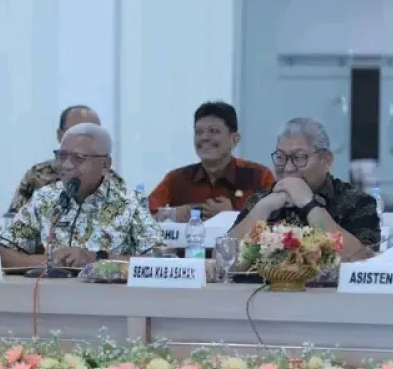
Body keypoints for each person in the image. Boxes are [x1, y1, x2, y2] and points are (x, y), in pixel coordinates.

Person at [0, 123, 162, 268]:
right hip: (50, 291)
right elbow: (3, 252)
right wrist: (48, 262)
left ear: (105, 164)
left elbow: (158, 260)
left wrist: (96, 259)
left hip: (106, 293)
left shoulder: (130, 202)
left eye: (79, 158)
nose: (67, 165)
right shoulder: (45, 198)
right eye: (62, 156)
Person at [228, 118, 380, 262]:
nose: (288, 168)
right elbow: (225, 257)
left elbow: (362, 260)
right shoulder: (262, 198)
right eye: (280, 157)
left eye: (299, 157)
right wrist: (263, 208)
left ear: (326, 160)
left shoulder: (357, 202)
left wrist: (309, 204)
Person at [147, 101, 274, 221]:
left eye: (214, 131)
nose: (204, 137)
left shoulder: (259, 177)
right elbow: (143, 215)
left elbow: (277, 221)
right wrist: (172, 214)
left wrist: (231, 216)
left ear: (234, 139)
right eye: (198, 132)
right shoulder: (176, 179)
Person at [7, 105, 125, 213]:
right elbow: (14, 219)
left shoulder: (111, 180)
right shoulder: (37, 175)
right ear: (59, 135)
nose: (83, 139)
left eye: (92, 133)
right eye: (75, 131)